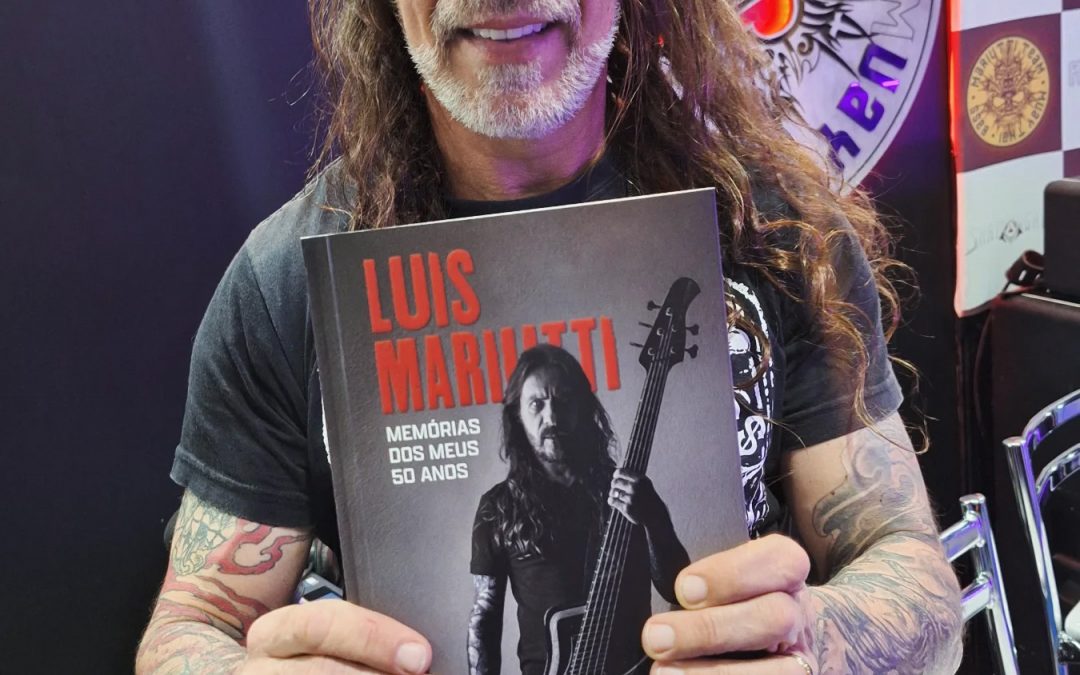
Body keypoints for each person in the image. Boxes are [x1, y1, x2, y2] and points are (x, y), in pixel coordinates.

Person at [135, 0, 964, 671]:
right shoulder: (282, 281)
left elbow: (917, 575)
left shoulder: (774, 231)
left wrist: (820, 639)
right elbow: (190, 624)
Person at [467, 344, 690, 674]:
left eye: (563, 401)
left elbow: (677, 590)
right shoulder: (497, 507)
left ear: (582, 408)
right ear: (517, 415)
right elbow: (485, 618)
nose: (552, 418)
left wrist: (654, 516)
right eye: (537, 404)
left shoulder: (628, 491)